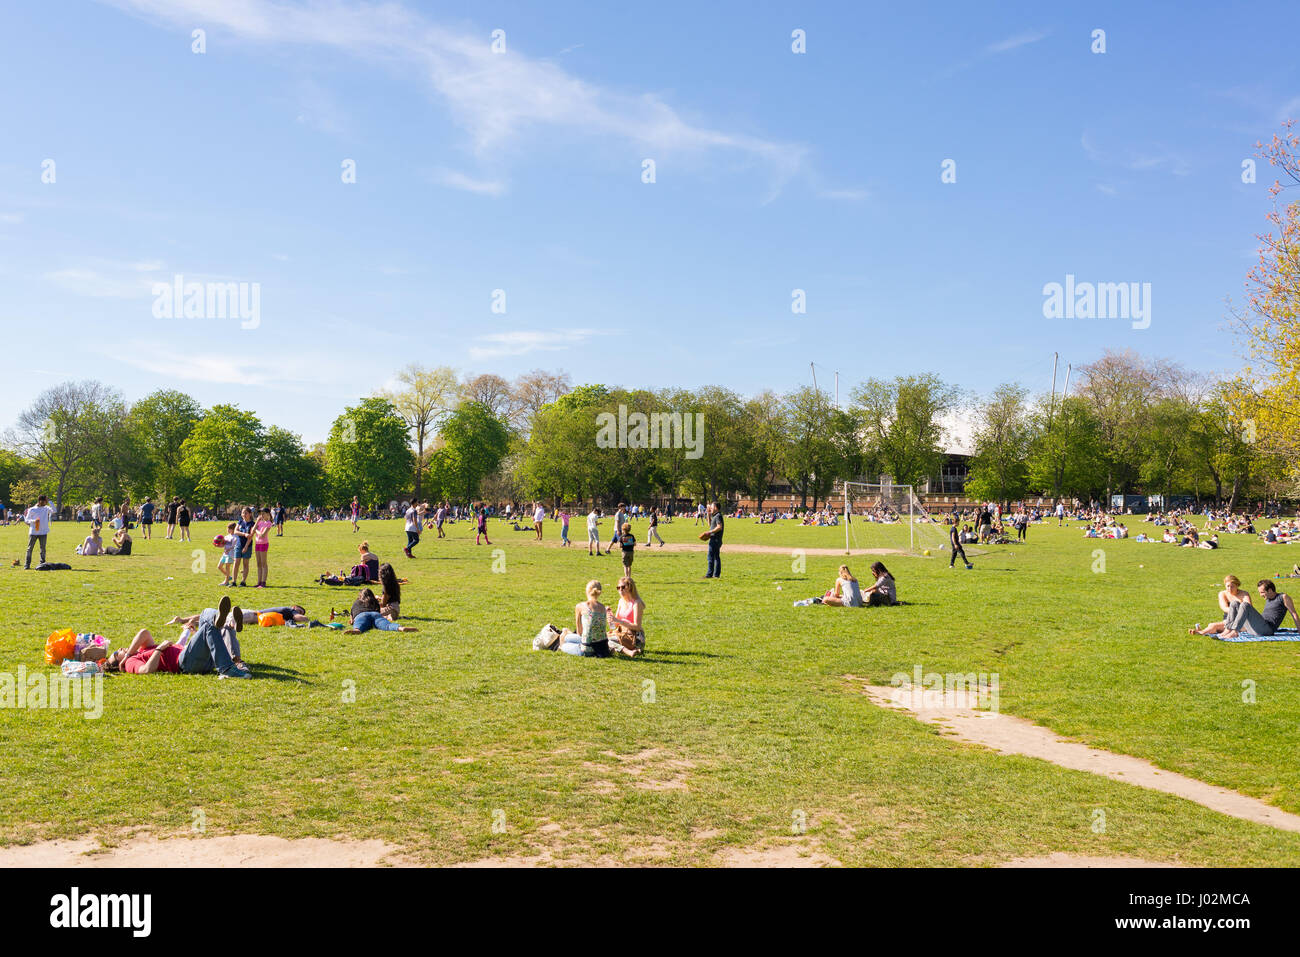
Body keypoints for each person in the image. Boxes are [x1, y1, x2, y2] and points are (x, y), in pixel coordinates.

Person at [105, 597, 251, 678]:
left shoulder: (138, 651)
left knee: (207, 616)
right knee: (208, 624)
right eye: (117, 654)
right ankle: (226, 668)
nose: (119, 649)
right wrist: (159, 650)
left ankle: (225, 621)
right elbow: (146, 670)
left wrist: (128, 653)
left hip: (193, 657)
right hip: (185, 663)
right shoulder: (131, 662)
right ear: (118, 664)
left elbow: (144, 632)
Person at [1218, 580, 1300, 639]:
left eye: (1262, 592)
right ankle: (1228, 629)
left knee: (1245, 605)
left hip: (1267, 630)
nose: (1260, 595)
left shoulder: (1283, 597)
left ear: (1270, 590)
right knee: (1234, 603)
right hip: (1256, 628)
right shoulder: (1268, 598)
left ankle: (1235, 631)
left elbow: (1294, 613)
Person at [557, 580, 610, 657]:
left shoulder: (580, 606)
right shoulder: (603, 608)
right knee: (568, 637)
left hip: (587, 649)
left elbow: (579, 632)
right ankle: (566, 634)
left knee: (565, 642)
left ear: (587, 591)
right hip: (603, 649)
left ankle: (561, 645)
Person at [343, 588, 418, 634]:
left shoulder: (356, 603)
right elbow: (379, 612)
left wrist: (352, 622)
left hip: (361, 615)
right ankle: (400, 628)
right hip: (375, 615)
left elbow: (352, 620)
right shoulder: (374, 601)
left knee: (359, 626)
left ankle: (357, 630)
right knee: (387, 626)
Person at [608, 576, 646, 657]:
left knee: (605, 641)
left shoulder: (636, 603)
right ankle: (628, 651)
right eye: (618, 588)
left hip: (635, 637)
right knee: (600, 639)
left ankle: (628, 650)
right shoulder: (621, 601)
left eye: (623, 587)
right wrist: (609, 617)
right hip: (622, 633)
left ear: (630, 587)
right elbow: (614, 626)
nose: (620, 590)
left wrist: (620, 621)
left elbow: (637, 627)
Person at [24, 494, 53, 569]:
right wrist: (34, 521)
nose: (46, 502)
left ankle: (42, 564)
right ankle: (27, 564)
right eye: (45, 501)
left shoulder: (47, 508)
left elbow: (55, 510)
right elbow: (26, 520)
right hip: (33, 532)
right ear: (40, 501)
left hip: (43, 532)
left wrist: (50, 501)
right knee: (30, 549)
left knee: (43, 549)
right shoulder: (32, 509)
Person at [233, 506, 255, 586]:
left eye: (245, 513)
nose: (243, 514)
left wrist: (246, 547)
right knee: (236, 563)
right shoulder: (240, 521)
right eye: (242, 513)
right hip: (239, 544)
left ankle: (243, 581)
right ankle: (234, 582)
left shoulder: (252, 524)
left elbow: (251, 536)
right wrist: (244, 534)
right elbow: (235, 531)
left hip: (247, 546)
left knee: (245, 564)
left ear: (250, 514)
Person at [253, 506, 273, 587]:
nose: (262, 515)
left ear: (268, 514)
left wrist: (256, 530)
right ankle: (259, 582)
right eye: (261, 513)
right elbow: (253, 529)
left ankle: (263, 582)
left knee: (263, 563)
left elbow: (262, 534)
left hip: (264, 544)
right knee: (258, 563)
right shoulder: (260, 522)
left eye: (263, 513)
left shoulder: (268, 523)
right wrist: (257, 522)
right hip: (257, 543)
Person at [703, 502, 724, 579]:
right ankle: (715, 575)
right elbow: (710, 525)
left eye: (711, 507)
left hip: (715, 539)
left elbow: (719, 527)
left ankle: (710, 574)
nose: (710, 509)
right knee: (714, 557)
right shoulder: (715, 516)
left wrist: (710, 532)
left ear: (716, 507)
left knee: (712, 557)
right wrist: (708, 514)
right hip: (714, 539)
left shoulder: (718, 516)